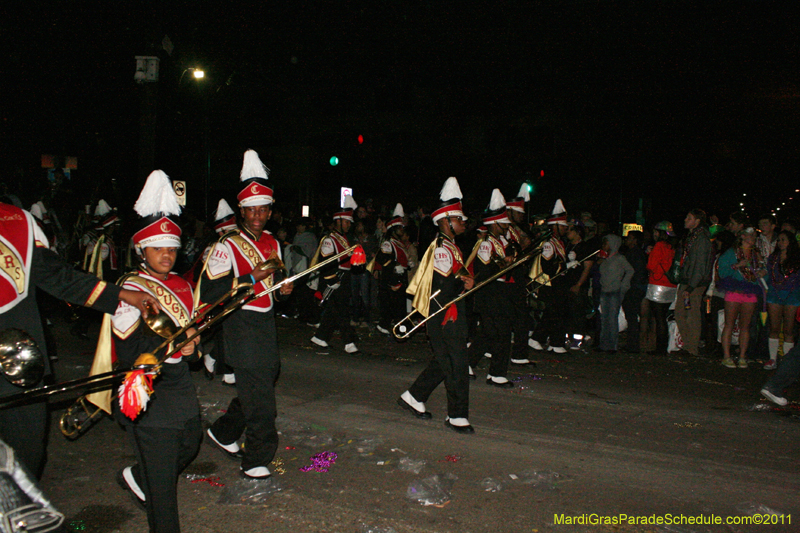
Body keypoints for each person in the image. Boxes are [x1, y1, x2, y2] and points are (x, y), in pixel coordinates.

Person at [0, 202, 157, 478]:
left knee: (25, 456)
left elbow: (59, 277)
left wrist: (121, 295)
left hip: (16, 366)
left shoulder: (17, 222)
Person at [110, 170, 201, 533]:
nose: (166, 254)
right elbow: (128, 349)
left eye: (171, 248)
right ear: (141, 250)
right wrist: (169, 346)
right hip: (147, 386)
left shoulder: (182, 285)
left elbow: (192, 348)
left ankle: (140, 474)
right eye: (158, 248)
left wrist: (193, 346)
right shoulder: (130, 288)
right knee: (164, 491)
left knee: (191, 441)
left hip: (179, 385)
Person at [199, 150, 293, 480]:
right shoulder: (226, 246)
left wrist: (282, 289)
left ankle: (223, 432)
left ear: (270, 210)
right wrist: (249, 278)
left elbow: (275, 283)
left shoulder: (273, 243)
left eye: (262, 209)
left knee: (262, 382)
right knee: (263, 400)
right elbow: (211, 292)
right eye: (250, 209)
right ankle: (255, 457)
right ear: (241, 210)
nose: (257, 215)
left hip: (265, 323)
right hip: (240, 325)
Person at [398, 177, 476, 433]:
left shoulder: (451, 246)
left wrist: (465, 282)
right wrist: (462, 283)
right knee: (456, 363)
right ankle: (457, 416)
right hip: (445, 314)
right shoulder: (442, 249)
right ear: (446, 221)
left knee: (446, 362)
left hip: (448, 312)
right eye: (459, 219)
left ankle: (414, 396)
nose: (463, 223)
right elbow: (443, 288)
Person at [467, 189, 515, 386]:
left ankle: (467, 362)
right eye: (504, 223)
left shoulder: (501, 242)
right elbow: (483, 271)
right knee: (501, 332)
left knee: (489, 333)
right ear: (495, 223)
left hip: (499, 291)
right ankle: (496, 374)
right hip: (490, 292)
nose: (507, 226)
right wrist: (503, 262)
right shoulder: (486, 244)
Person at [310, 194, 359, 353]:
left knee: (334, 311)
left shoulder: (344, 239)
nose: (348, 225)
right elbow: (327, 261)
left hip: (343, 277)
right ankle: (349, 342)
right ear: (338, 221)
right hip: (333, 278)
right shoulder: (330, 239)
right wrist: (331, 279)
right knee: (342, 311)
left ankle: (320, 337)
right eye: (346, 222)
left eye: (349, 222)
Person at [717, 227, 764, 368]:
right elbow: (722, 270)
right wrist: (737, 265)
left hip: (750, 292)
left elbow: (764, 270)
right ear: (743, 236)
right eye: (751, 235)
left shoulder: (756, 254)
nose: (753, 237)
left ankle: (743, 356)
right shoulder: (732, 252)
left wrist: (763, 273)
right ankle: (726, 356)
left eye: (755, 235)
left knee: (745, 326)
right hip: (734, 291)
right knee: (729, 324)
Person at [529, 200, 569, 353]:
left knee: (558, 313)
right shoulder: (548, 243)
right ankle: (538, 339)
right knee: (552, 314)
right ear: (555, 226)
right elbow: (547, 266)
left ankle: (555, 342)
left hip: (558, 283)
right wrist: (562, 265)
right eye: (563, 226)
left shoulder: (559, 242)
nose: (565, 229)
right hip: (549, 283)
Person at [674, 209, 714, 357]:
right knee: (681, 313)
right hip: (689, 280)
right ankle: (689, 345)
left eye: (689, 218)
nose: (685, 220)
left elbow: (700, 264)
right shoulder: (693, 237)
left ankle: (691, 348)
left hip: (695, 282)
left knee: (691, 314)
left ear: (697, 221)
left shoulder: (701, 238)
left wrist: (691, 287)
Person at [764, 230, 800, 369]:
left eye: (783, 240)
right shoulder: (773, 258)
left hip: (792, 294)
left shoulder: (796, 258)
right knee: (774, 327)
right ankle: (772, 359)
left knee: (789, 330)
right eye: (778, 240)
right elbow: (768, 274)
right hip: (775, 294)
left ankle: (787, 362)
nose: (780, 243)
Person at [374, 204, 410, 335]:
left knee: (395, 307)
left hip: (400, 279)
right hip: (392, 281)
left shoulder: (399, 244)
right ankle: (401, 331)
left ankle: (385, 326)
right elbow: (382, 258)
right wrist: (395, 265)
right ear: (393, 230)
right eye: (399, 228)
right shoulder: (388, 243)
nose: (402, 230)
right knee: (396, 308)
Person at [597, 234, 634, 353]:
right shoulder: (606, 258)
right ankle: (603, 345)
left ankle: (612, 346)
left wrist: (623, 286)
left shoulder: (619, 258)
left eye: (606, 243)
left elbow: (630, 271)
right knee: (604, 318)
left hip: (614, 291)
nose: (604, 245)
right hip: (605, 290)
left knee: (612, 319)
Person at [621, 230, 647, 353]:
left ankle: (633, 345)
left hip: (634, 288)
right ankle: (632, 344)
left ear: (635, 241)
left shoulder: (635, 254)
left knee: (632, 316)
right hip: (635, 287)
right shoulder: (633, 253)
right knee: (632, 317)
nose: (627, 240)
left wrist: (630, 285)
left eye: (629, 238)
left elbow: (637, 272)